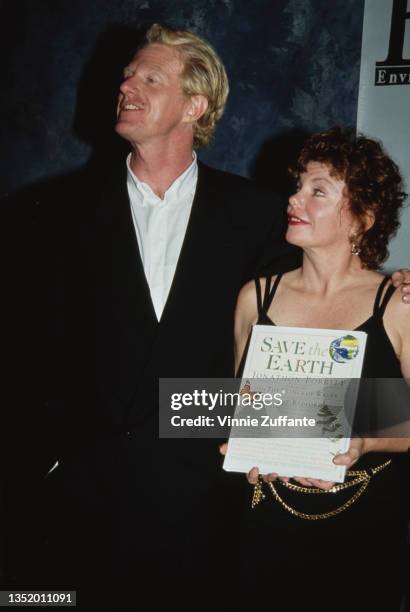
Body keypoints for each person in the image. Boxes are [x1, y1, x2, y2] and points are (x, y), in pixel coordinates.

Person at [4, 24, 410, 610]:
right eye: (127, 75)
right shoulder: (45, 213)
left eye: (149, 76)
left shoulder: (264, 217)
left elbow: (299, 359)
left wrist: (324, 429)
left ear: (195, 105)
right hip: (76, 509)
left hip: (208, 519)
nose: (127, 85)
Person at [221, 127, 410, 611]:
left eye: (317, 190)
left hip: (365, 530)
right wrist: (239, 440)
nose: (294, 198)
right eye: (297, 185)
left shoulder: (398, 304)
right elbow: (241, 407)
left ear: (362, 218)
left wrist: (366, 438)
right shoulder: (254, 297)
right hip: (267, 525)